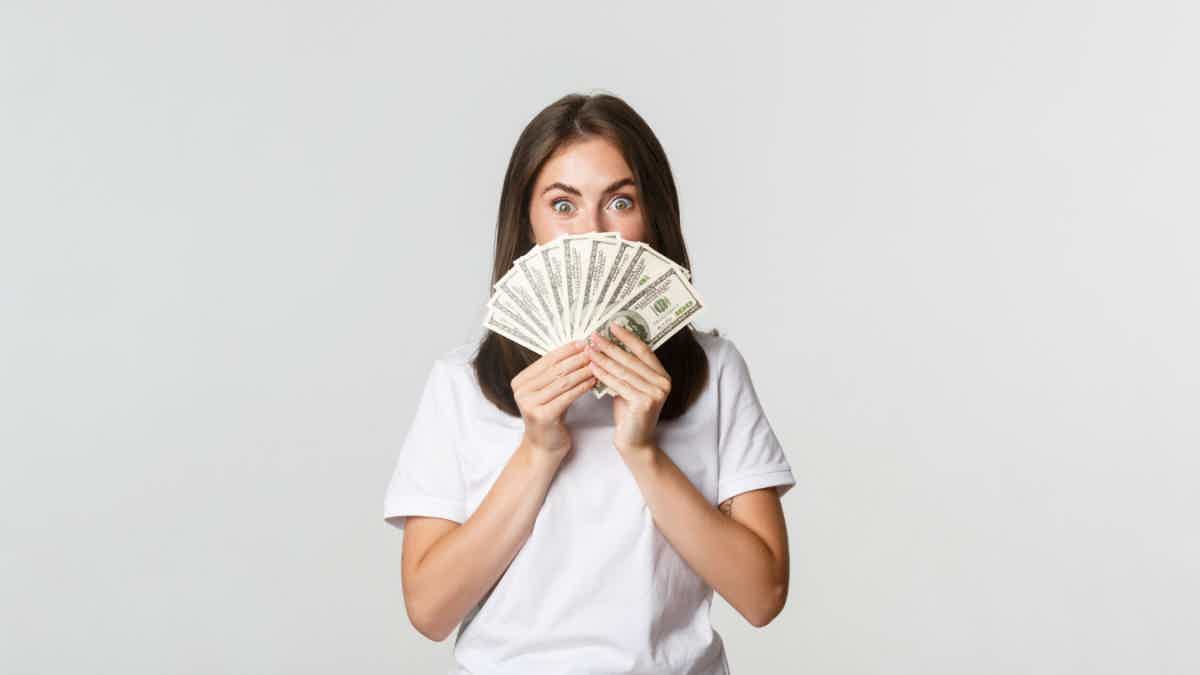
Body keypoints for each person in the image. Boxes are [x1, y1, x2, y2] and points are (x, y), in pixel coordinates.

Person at [383, 91, 796, 674]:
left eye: (620, 201)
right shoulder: (461, 384)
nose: (593, 234)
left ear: (652, 218)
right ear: (527, 221)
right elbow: (428, 610)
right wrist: (538, 449)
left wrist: (643, 452)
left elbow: (763, 597)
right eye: (563, 205)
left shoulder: (714, 371)